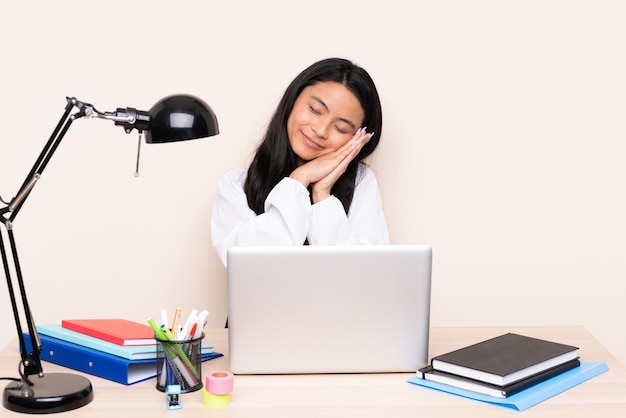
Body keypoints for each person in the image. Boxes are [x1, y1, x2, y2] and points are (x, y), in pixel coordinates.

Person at [211, 57, 389, 266]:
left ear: (358, 138)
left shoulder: (361, 183)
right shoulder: (235, 187)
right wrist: (299, 179)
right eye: (314, 110)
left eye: (341, 128)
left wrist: (322, 195)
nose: (320, 131)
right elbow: (251, 265)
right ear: (293, 99)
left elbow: (367, 272)